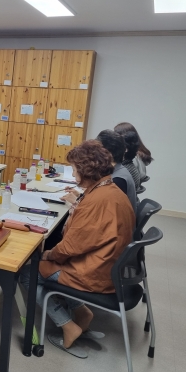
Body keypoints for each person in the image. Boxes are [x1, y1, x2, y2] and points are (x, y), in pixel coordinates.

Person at [19, 140, 134, 358]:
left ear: (85, 169)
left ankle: (68, 325)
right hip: (108, 266)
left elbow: (70, 247)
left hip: (95, 272)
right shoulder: (110, 190)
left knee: (28, 273)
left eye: (74, 169)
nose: (73, 174)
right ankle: (81, 312)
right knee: (49, 264)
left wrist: (47, 254)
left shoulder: (97, 200)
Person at [96, 129, 138, 213]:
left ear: (108, 154)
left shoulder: (118, 180)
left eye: (96, 150)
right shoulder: (118, 169)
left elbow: (106, 211)